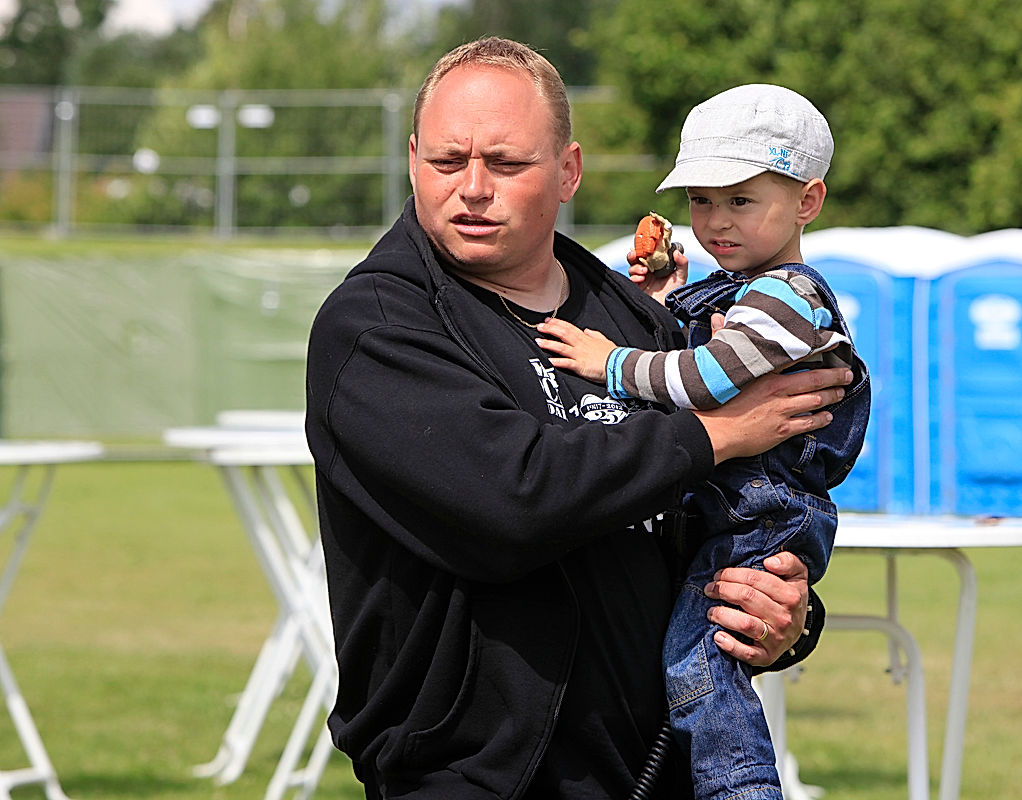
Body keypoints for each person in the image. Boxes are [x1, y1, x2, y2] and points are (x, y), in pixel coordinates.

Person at [305, 38, 852, 800]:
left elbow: (721, 510)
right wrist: (715, 433)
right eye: (446, 160)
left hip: (658, 772)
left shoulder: (635, 317)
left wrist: (780, 613)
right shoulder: (378, 328)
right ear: (411, 159)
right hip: (471, 778)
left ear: (567, 172)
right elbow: (512, 500)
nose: (472, 188)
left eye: (505, 163)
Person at [537, 84, 871, 800]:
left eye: (740, 201)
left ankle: (740, 789)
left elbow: (706, 380)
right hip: (737, 505)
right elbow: (705, 348)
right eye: (700, 201)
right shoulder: (741, 290)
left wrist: (609, 361)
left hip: (762, 511)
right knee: (690, 655)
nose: (715, 221)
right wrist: (663, 299)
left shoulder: (789, 296)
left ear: (807, 202)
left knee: (701, 661)